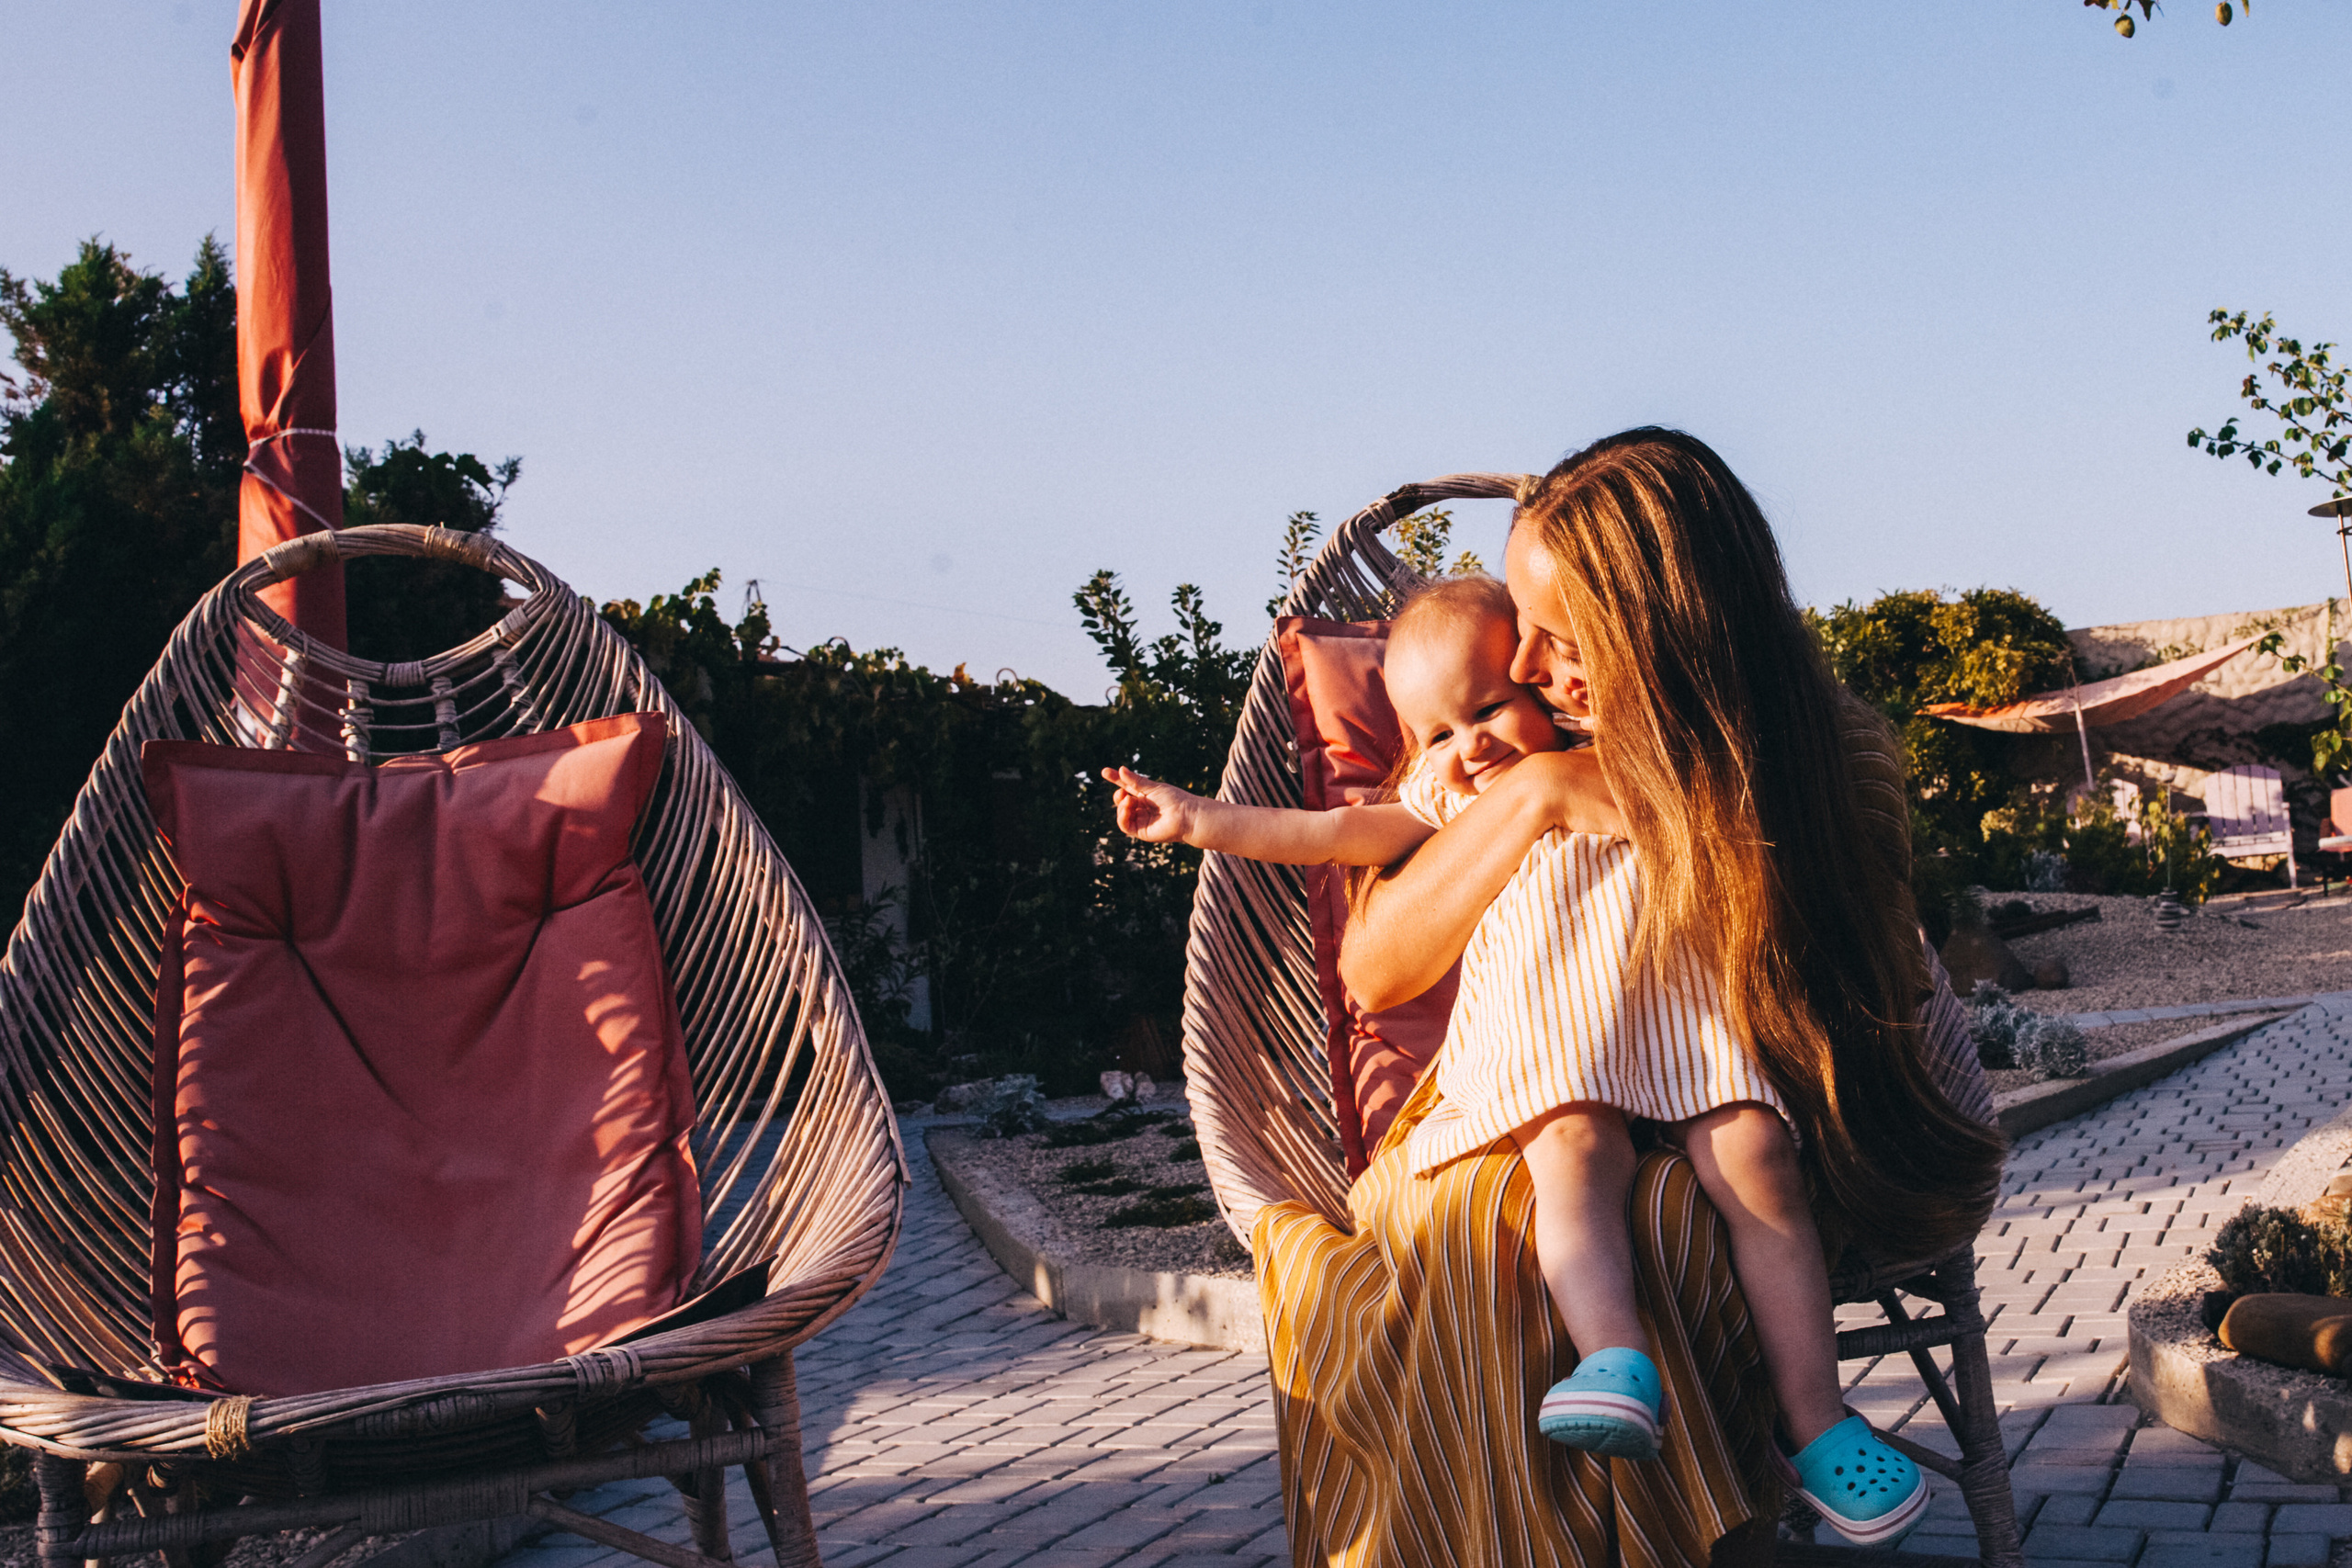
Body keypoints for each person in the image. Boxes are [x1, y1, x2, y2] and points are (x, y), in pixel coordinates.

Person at [1106, 574, 1931, 1544]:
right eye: (1437, 733)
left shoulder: (1628, 757)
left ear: (1540, 682)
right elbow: (1334, 833)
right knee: (1571, 1156)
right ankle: (1614, 1360)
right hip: (1552, 1039)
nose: (1470, 746)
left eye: (1490, 706)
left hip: (1682, 1024)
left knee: (1759, 1159)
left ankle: (1816, 1421)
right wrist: (1198, 820)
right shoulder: (1451, 801)